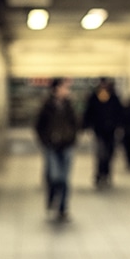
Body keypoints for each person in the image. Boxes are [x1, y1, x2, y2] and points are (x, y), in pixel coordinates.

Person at [34, 77, 79, 221]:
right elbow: (38, 126)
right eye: (64, 87)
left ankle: (62, 208)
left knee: (65, 179)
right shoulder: (46, 106)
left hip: (67, 146)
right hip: (51, 146)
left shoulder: (69, 106)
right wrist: (45, 141)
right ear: (56, 89)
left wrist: (72, 139)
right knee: (54, 176)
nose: (67, 90)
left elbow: (76, 123)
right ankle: (52, 197)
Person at [82, 77, 124, 188]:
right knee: (101, 153)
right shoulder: (95, 98)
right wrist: (86, 125)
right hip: (99, 131)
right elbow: (88, 112)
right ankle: (100, 173)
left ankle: (106, 173)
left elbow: (119, 113)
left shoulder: (114, 98)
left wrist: (119, 126)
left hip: (111, 131)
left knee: (109, 154)